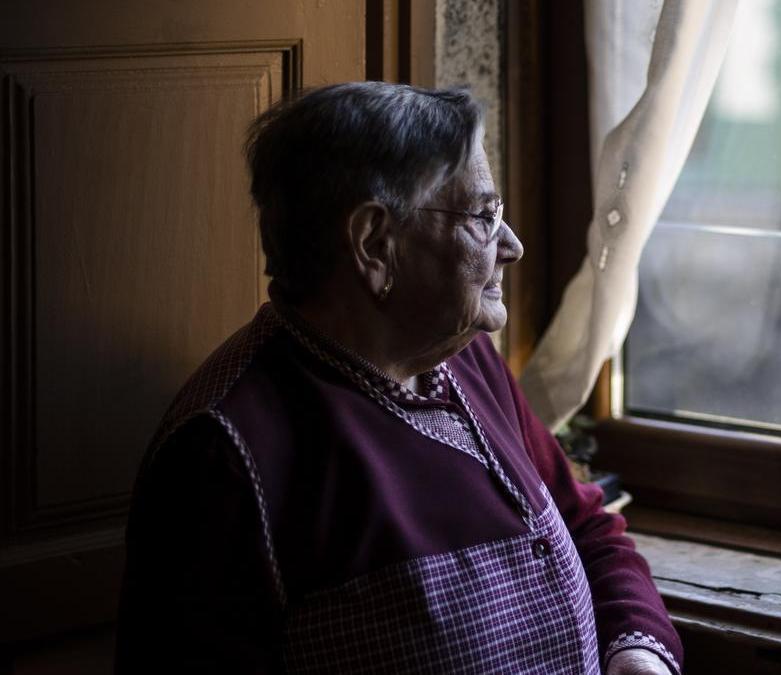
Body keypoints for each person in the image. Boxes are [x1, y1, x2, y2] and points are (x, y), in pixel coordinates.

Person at [115, 82, 681, 675]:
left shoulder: (465, 358)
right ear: (374, 243)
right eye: (483, 217)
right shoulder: (225, 452)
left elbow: (586, 523)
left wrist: (636, 650)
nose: (510, 247)